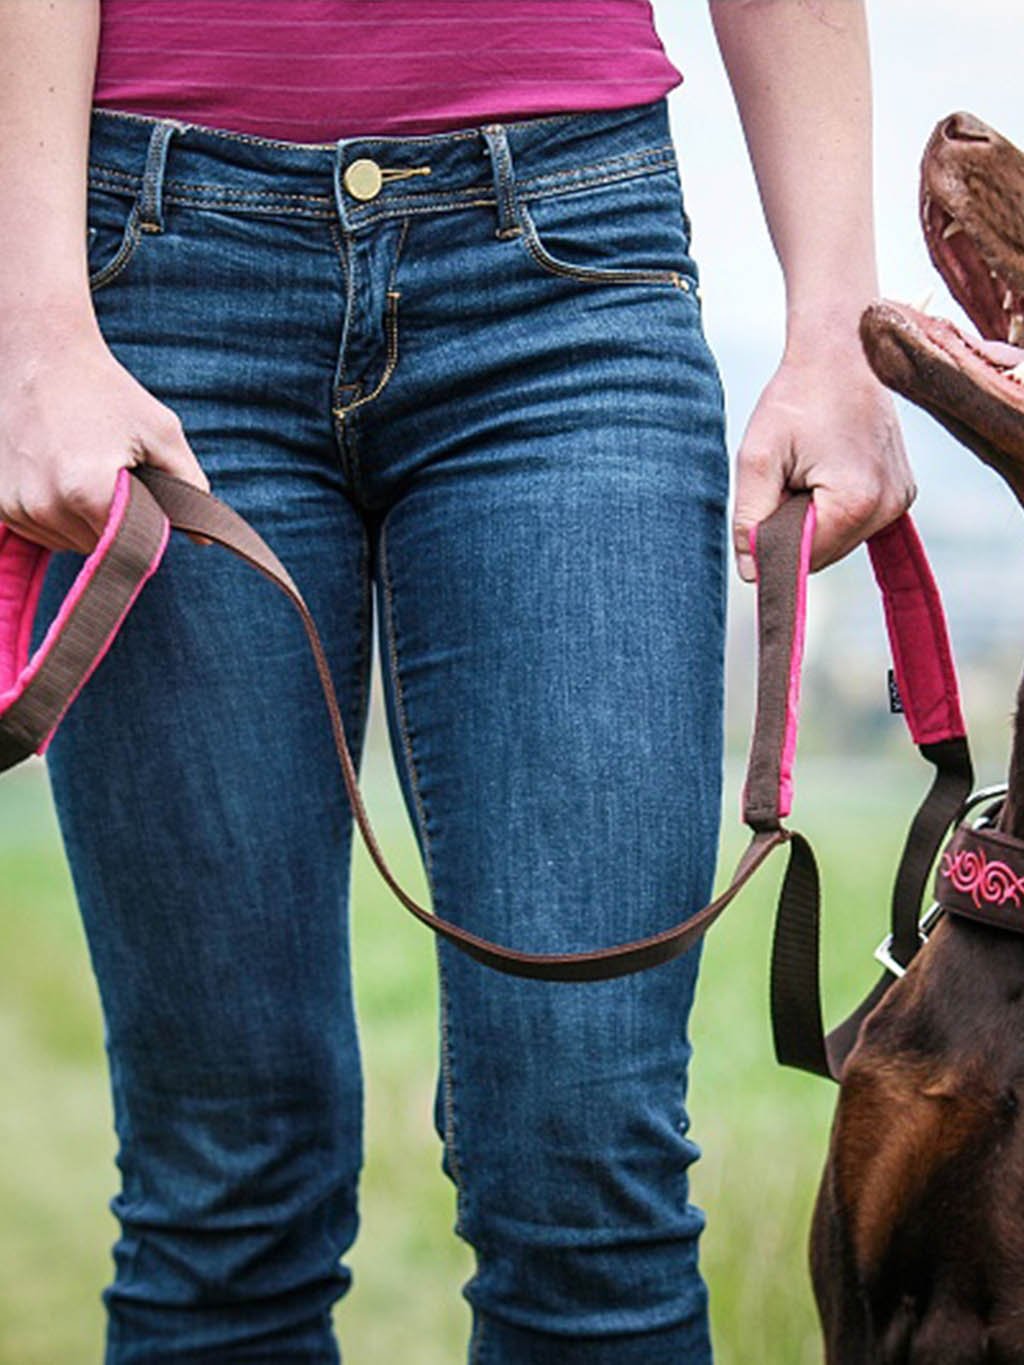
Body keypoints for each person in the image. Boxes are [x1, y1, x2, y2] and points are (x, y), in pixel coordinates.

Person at [0, 1, 912, 1361]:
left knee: (586, 1180)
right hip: (147, 278)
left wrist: (840, 326)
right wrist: (31, 329)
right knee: (221, 1199)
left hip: (565, 274)